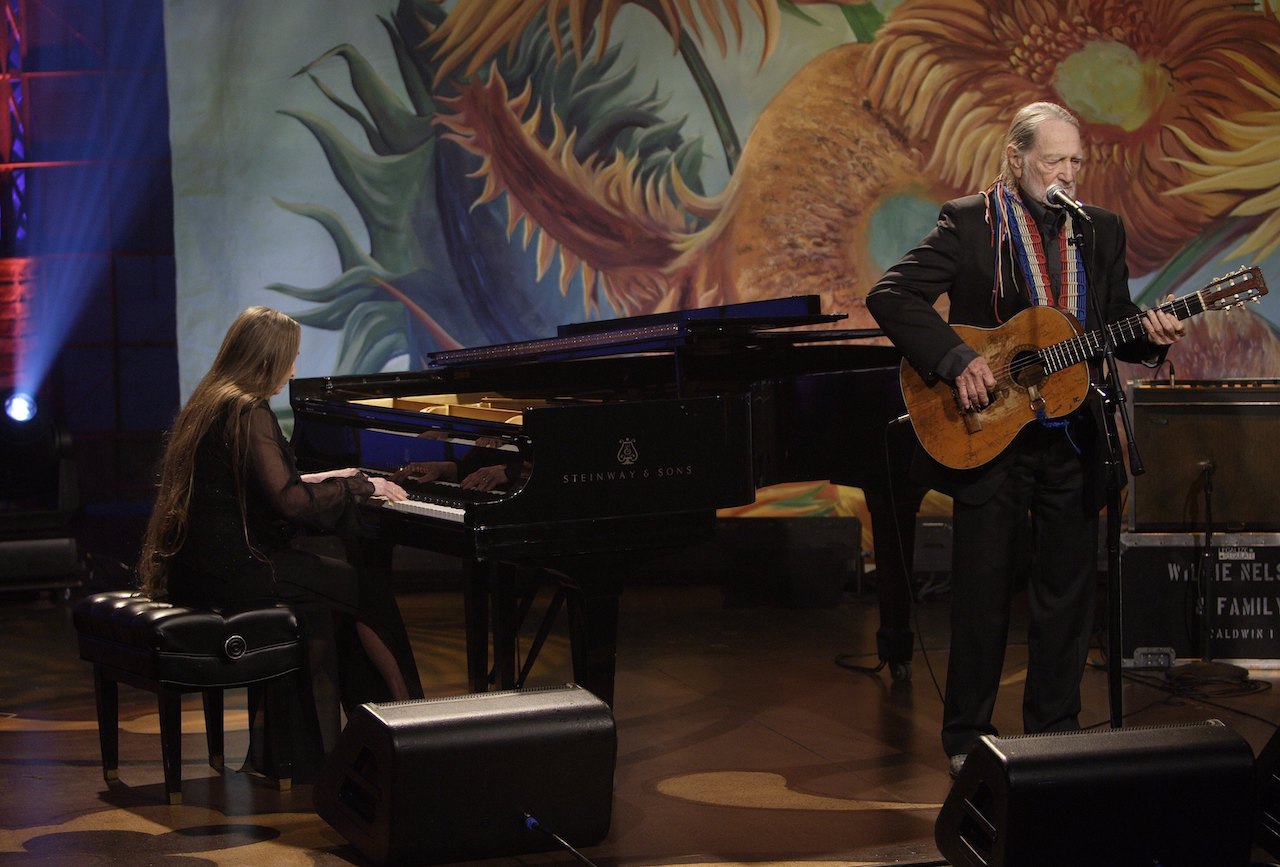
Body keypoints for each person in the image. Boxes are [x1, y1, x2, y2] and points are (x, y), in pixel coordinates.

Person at [865, 102, 1185, 777]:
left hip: (1072, 435)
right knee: (981, 594)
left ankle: (1056, 728)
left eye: (1075, 162)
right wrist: (956, 360)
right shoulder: (970, 224)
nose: (1066, 174)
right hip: (990, 435)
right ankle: (968, 737)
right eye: (1052, 161)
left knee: (1067, 593)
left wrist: (1149, 337)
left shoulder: (1098, 231)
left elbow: (1113, 321)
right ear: (1015, 158)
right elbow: (891, 296)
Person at [137, 306, 424, 781]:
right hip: (239, 569)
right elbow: (290, 503)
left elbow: (260, 483)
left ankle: (335, 744)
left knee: (337, 595)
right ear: (268, 360)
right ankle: (412, 727)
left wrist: (331, 476)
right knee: (368, 592)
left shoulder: (212, 401)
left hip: (199, 567)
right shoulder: (248, 410)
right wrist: (360, 487)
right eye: (290, 358)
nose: (294, 369)